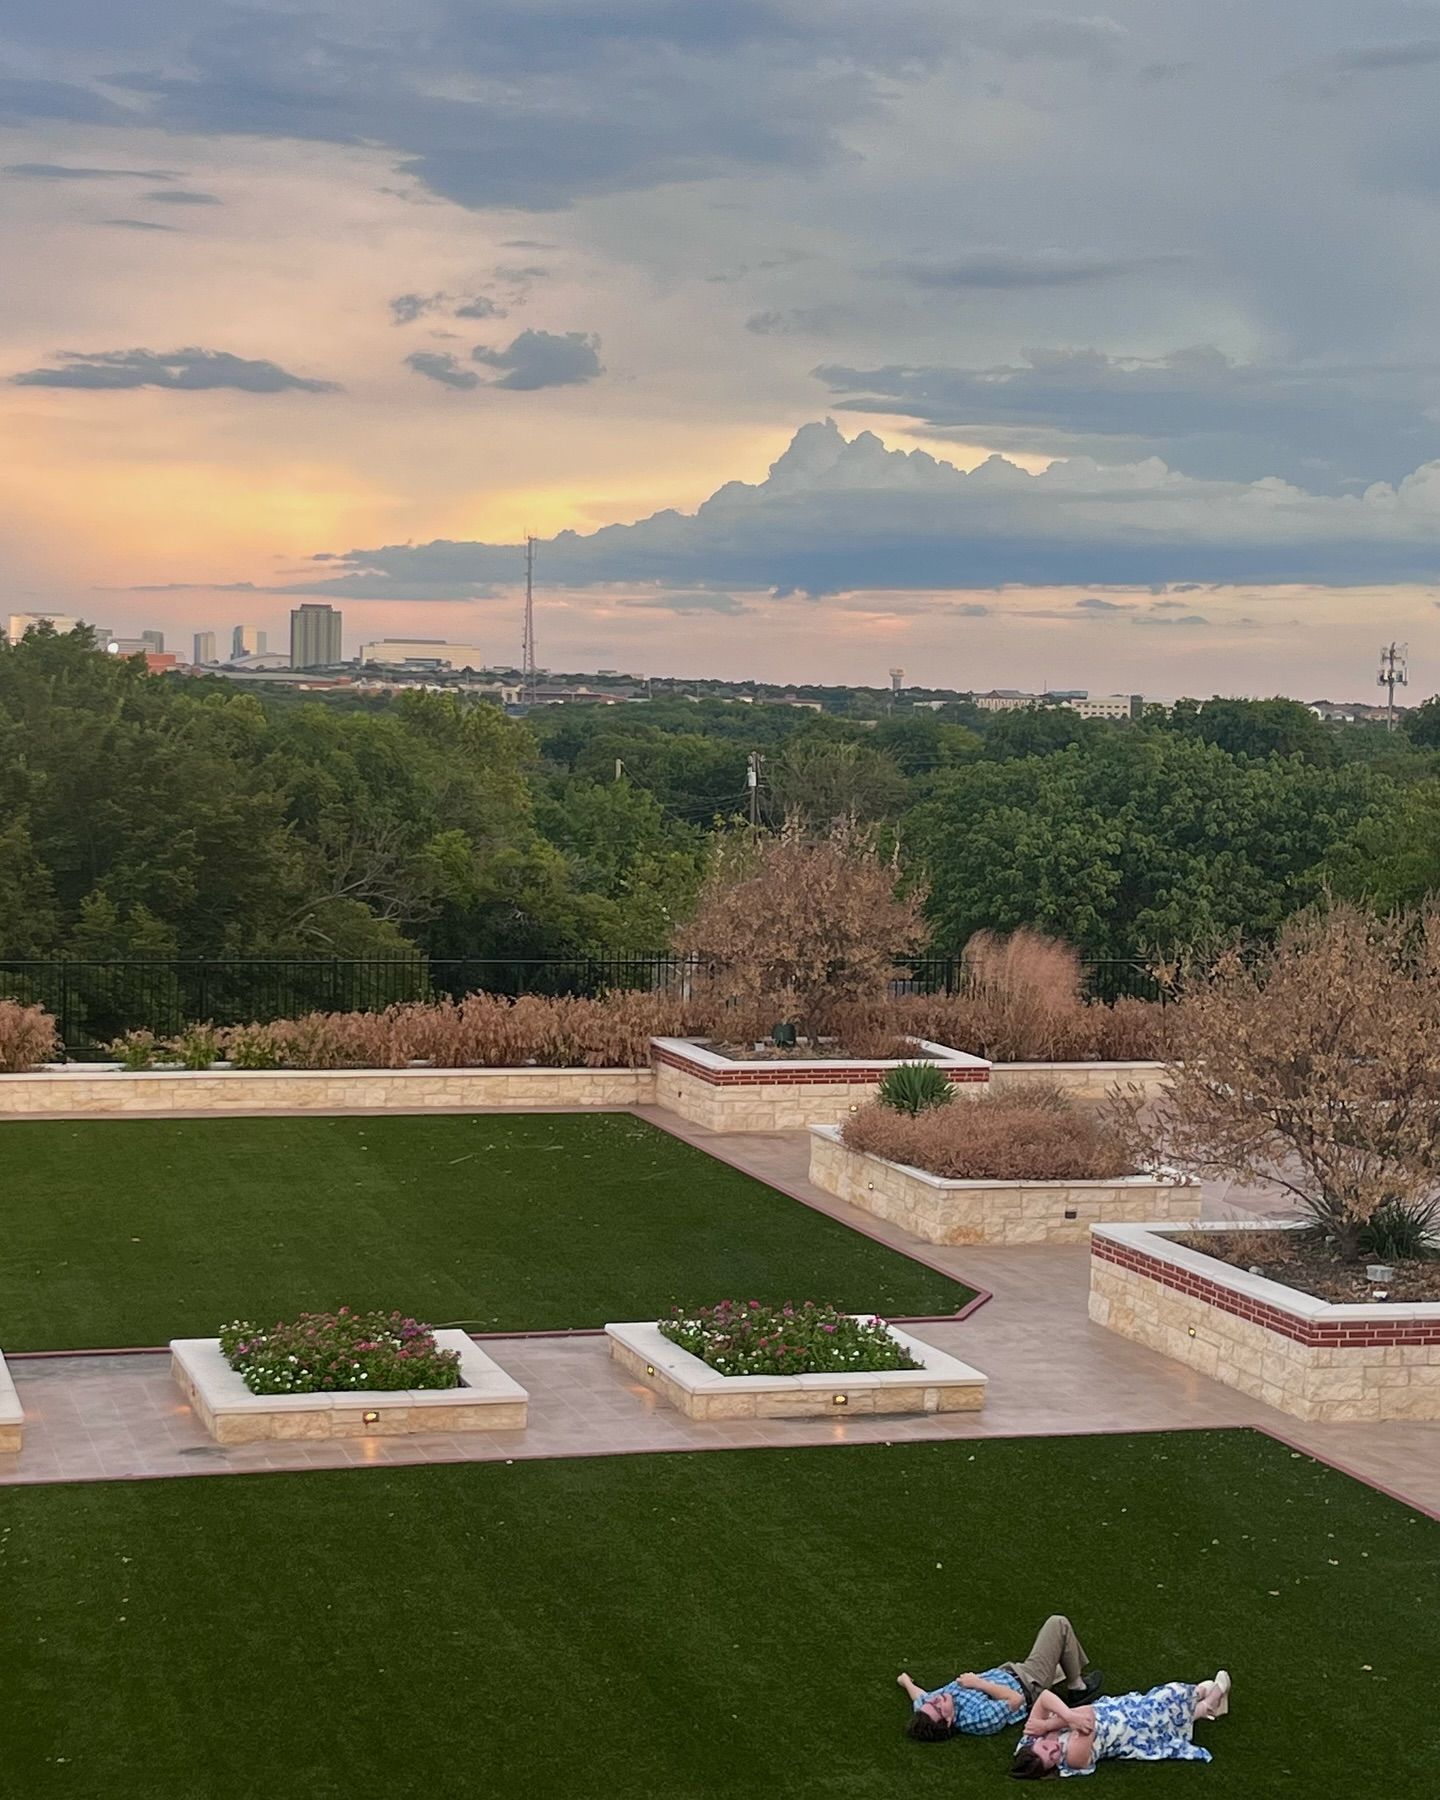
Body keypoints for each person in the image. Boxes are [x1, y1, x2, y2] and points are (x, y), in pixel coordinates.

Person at [899, 1614, 1104, 1742]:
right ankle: (1078, 1688)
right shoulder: (979, 1719)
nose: (935, 1699)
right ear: (948, 1722)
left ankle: (1069, 1674)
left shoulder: (931, 1708)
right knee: (1058, 1625)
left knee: (1064, 1653)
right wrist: (977, 1683)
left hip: (1014, 1671)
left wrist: (906, 1681)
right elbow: (1016, 1700)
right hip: (1029, 1683)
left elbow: (921, 1698)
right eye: (936, 1708)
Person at [1010, 1671, 1231, 1779]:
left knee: (1164, 1700)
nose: (1054, 1749)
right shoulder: (1073, 1759)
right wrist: (1061, 1720)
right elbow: (1087, 1717)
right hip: (1127, 1731)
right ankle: (1209, 1704)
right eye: (1052, 1758)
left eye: (1046, 1748)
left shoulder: (1028, 1741)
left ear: (1033, 1743)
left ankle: (1204, 1697)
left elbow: (1045, 1697)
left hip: (1116, 1709)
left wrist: (1057, 1721)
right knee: (1166, 1701)